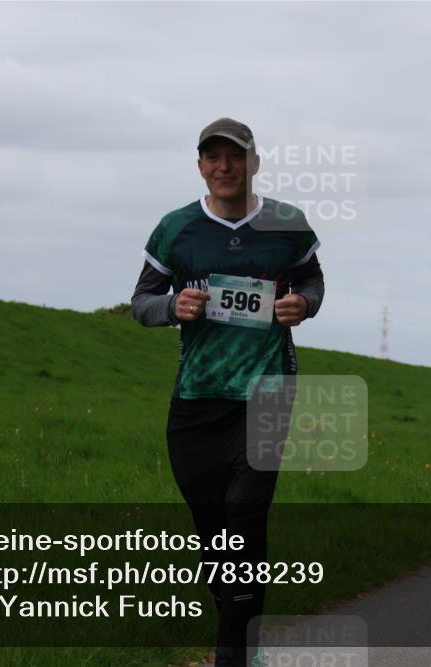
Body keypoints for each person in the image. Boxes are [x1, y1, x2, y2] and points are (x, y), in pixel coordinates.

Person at [131, 118, 324, 667]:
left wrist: (304, 304)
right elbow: (141, 302)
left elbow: (313, 280)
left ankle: (233, 654)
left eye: (234, 156)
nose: (223, 167)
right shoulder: (176, 229)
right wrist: (172, 307)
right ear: (200, 167)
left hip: (267, 393)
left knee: (243, 519)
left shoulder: (287, 224)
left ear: (253, 162)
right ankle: (243, 626)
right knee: (213, 535)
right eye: (212, 157)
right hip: (196, 398)